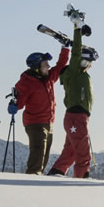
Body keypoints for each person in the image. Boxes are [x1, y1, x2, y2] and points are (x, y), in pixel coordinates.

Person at [48, 17, 97, 178]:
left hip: (77, 117)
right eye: (88, 61)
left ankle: (55, 175)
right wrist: (77, 29)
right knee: (83, 154)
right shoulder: (75, 72)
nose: (89, 64)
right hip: (76, 117)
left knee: (70, 153)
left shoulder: (81, 74)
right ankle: (81, 183)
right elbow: (75, 51)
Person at [11, 46, 68, 175]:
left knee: (45, 153)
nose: (48, 66)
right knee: (38, 151)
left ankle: (38, 175)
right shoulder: (26, 82)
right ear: (37, 67)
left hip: (49, 123)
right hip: (35, 123)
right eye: (45, 64)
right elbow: (19, 103)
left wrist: (65, 48)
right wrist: (14, 104)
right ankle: (32, 176)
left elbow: (61, 65)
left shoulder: (48, 78)